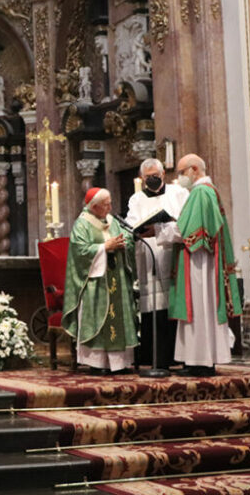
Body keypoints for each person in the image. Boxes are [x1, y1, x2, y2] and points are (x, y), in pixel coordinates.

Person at [158, 154, 242, 377]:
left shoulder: (200, 192)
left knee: (199, 308)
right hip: (203, 259)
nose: (180, 177)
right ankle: (200, 360)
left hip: (198, 262)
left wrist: (161, 232)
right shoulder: (209, 190)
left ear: (194, 169)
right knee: (203, 308)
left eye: (182, 172)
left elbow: (188, 231)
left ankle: (200, 361)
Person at [63, 187, 139, 375]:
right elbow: (79, 251)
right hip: (96, 284)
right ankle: (97, 363)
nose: (110, 207)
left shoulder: (113, 221)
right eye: (106, 205)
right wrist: (105, 247)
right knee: (99, 318)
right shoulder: (82, 224)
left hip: (116, 278)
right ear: (94, 207)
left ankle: (119, 363)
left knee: (118, 317)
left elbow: (127, 239)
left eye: (110, 203)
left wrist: (124, 244)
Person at [125, 158, 188, 369]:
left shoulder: (178, 193)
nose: (152, 179)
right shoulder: (136, 199)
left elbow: (186, 222)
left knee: (172, 307)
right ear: (142, 179)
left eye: (156, 175)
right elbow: (132, 223)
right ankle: (155, 357)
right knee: (154, 308)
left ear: (163, 175)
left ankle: (176, 355)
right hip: (149, 255)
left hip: (172, 254)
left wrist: (168, 223)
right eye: (148, 177)